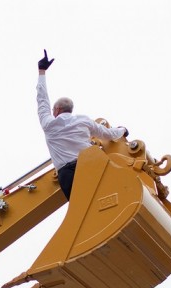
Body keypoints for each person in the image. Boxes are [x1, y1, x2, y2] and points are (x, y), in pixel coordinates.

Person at [37, 49, 128, 199]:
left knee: (82, 207)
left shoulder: (48, 124)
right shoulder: (83, 120)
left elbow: (42, 99)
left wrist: (41, 72)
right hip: (91, 164)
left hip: (68, 173)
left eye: (53, 109)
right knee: (106, 197)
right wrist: (122, 130)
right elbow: (109, 134)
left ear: (57, 109)